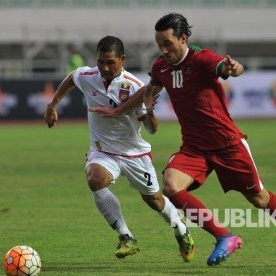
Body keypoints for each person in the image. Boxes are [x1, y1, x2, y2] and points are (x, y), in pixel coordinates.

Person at [89, 13, 276, 268]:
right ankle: (224, 236)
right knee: (172, 187)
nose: (163, 50)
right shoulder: (161, 67)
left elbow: (230, 68)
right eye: (159, 45)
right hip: (195, 147)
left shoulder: (202, 59)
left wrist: (235, 68)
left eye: (168, 44)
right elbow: (148, 90)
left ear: (183, 38)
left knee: (259, 199)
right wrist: (120, 110)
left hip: (227, 143)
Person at [44, 35, 195, 261]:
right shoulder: (88, 76)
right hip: (103, 151)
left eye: (110, 62)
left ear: (122, 59)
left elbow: (152, 130)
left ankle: (181, 230)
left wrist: (150, 111)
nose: (104, 67)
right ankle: (126, 237)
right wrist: (53, 104)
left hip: (135, 154)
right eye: (100, 61)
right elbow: (71, 78)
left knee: (154, 200)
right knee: (95, 179)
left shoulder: (135, 87)